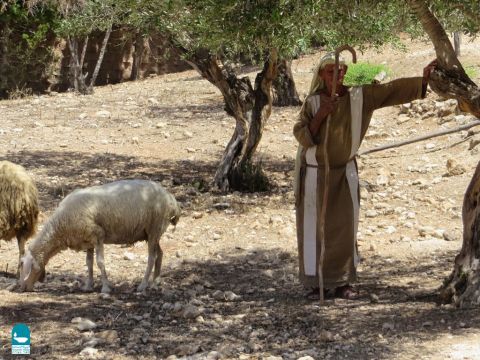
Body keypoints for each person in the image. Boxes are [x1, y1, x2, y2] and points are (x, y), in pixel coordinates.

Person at [293, 52, 436, 299]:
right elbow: (302, 135)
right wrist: (320, 115)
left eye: (340, 71)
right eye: (330, 72)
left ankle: (342, 282)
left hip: (344, 174)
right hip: (315, 176)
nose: (336, 75)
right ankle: (316, 284)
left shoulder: (360, 97)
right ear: (321, 75)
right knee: (315, 229)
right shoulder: (313, 102)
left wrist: (422, 82)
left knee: (345, 227)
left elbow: (391, 91)